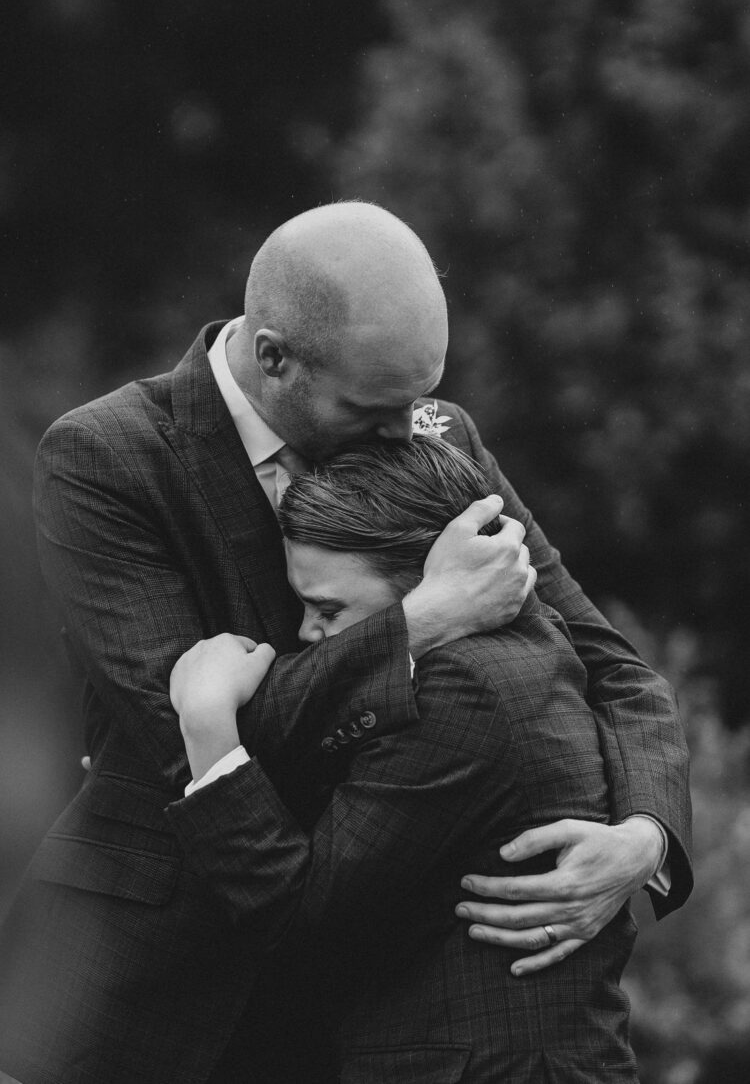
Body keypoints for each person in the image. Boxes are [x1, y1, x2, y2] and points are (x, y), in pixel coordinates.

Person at [0, 202, 690, 1084]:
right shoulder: (107, 459)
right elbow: (189, 731)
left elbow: (607, 663)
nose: (411, 429)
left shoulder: (433, 432)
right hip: (140, 991)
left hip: (353, 995)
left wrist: (644, 833)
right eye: (376, 406)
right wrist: (424, 620)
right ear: (275, 357)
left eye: (420, 398)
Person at [167, 434, 661, 1081]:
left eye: (329, 609)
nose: (307, 633)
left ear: (435, 583)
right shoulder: (512, 656)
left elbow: (295, 921)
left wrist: (210, 734)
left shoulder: (465, 689)